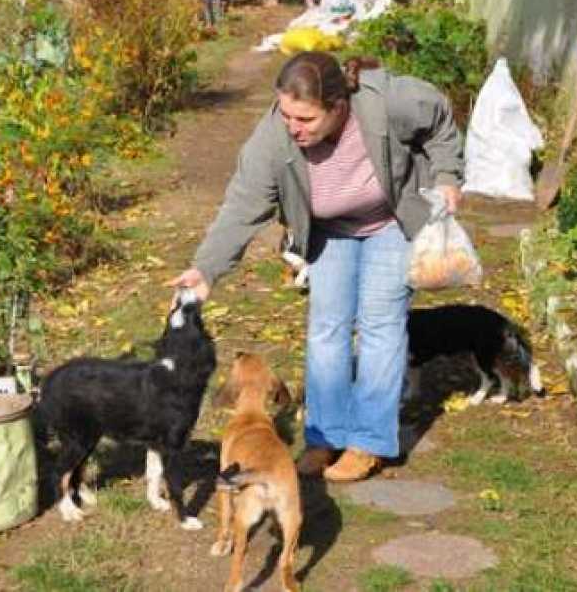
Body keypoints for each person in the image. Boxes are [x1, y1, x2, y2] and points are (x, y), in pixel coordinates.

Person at [169, 52, 464, 482]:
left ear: (338, 107)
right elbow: (242, 205)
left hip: (390, 223)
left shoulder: (387, 102)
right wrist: (206, 268)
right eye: (286, 114)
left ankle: (368, 443)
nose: (293, 126)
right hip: (329, 231)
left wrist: (447, 175)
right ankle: (325, 437)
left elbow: (439, 118)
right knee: (327, 329)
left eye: (305, 119)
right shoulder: (273, 137)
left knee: (380, 326)